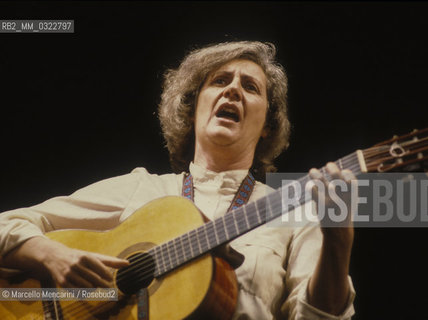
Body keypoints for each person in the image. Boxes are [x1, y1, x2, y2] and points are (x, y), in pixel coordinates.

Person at [0, 41, 355, 319]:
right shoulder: (144, 189)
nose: (232, 90)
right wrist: (50, 255)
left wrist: (338, 243)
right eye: (219, 81)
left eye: (250, 87)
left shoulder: (296, 210)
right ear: (193, 106)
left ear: (267, 126)